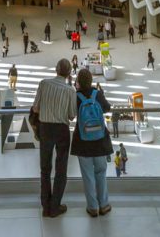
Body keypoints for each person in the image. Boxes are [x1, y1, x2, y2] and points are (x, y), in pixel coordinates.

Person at [32, 59, 77, 218]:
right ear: (69, 73)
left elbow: (36, 107)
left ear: (55, 69)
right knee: (61, 168)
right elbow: (72, 115)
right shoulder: (70, 90)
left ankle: (45, 205)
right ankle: (55, 206)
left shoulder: (43, 84)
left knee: (45, 168)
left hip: (45, 128)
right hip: (61, 130)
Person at [70, 67, 113, 219]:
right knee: (101, 172)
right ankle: (104, 205)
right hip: (100, 141)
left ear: (78, 82)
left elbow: (70, 115)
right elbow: (107, 108)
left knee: (88, 176)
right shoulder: (97, 94)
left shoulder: (76, 96)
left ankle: (92, 207)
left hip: (83, 142)